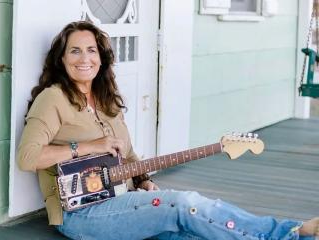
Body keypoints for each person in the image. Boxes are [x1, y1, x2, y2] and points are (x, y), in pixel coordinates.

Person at [17, 21, 319, 240]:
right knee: (183, 204)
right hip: (80, 215)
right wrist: (89, 146)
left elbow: (129, 156)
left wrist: (143, 179)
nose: (85, 59)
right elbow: (27, 158)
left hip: (123, 199)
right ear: (62, 58)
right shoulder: (53, 98)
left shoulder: (107, 100)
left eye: (91, 50)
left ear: (101, 57)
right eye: (75, 51)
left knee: (193, 230)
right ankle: (289, 233)